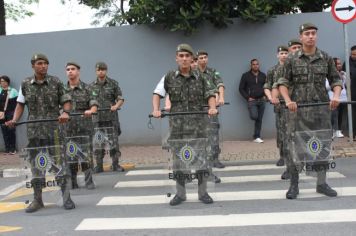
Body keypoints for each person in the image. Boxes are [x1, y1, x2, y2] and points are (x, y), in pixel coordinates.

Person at [278, 23, 342, 199]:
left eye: (314, 33)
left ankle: (321, 183)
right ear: (301, 37)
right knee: (295, 148)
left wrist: (336, 96)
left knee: (322, 146)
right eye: (307, 33)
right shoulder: (292, 59)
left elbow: (336, 80)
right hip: (297, 111)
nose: (311, 36)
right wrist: (288, 100)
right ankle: (294, 185)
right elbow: (282, 83)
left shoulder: (325, 57)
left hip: (321, 110)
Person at [6, 53, 75, 212]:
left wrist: (65, 113)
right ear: (33, 66)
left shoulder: (55, 81)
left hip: (54, 129)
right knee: (37, 166)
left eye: (45, 63)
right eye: (39, 63)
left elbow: (66, 101)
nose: (43, 66)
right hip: (34, 131)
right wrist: (15, 120)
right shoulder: (25, 83)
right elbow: (20, 105)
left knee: (59, 164)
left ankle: (66, 198)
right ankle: (38, 200)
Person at [152, 43, 218, 206]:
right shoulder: (168, 76)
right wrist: (156, 110)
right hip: (177, 128)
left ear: (191, 59)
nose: (184, 59)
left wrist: (212, 107)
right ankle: (180, 194)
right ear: (176, 58)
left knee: (201, 159)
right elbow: (157, 93)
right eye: (181, 56)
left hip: (198, 126)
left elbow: (210, 94)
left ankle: (203, 193)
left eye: (187, 56)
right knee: (178, 161)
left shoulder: (201, 77)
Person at [64, 62, 98, 189]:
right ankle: (72, 182)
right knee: (70, 155)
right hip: (68, 129)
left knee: (85, 155)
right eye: (68, 69)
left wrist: (92, 110)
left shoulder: (87, 88)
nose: (70, 71)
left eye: (73, 69)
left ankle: (89, 181)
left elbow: (94, 103)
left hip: (84, 128)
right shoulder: (61, 89)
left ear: (78, 71)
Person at [89, 62, 124, 173]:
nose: (101, 71)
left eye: (103, 69)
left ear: (106, 70)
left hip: (111, 118)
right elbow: (88, 102)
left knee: (113, 142)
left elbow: (120, 99)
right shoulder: (91, 86)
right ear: (96, 71)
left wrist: (116, 106)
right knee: (98, 143)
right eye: (99, 69)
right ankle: (99, 166)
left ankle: (115, 164)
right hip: (97, 120)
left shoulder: (113, 84)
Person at [264, 46, 290, 179]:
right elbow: (267, 86)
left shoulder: (292, 68)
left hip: (293, 104)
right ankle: (282, 155)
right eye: (282, 53)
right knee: (281, 131)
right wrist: (271, 98)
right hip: (280, 106)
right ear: (277, 55)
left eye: (286, 53)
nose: (284, 55)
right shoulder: (272, 70)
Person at [197, 50, 225, 169]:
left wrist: (221, 97)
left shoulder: (212, 72)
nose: (203, 60)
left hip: (211, 107)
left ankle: (215, 159)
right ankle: (200, 159)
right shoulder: (193, 73)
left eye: (205, 57)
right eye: (201, 58)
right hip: (197, 109)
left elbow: (220, 85)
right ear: (197, 59)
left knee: (213, 133)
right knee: (198, 134)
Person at [239, 59, 266, 143]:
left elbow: (267, 86)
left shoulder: (263, 75)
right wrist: (247, 97)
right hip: (252, 100)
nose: (255, 66)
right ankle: (256, 135)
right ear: (251, 65)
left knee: (259, 119)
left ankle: (257, 136)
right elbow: (241, 88)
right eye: (253, 64)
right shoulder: (245, 75)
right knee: (254, 116)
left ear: (259, 65)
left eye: (257, 64)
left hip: (262, 100)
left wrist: (266, 96)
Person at [326, 58, 347, 138]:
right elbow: (327, 86)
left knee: (341, 115)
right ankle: (333, 131)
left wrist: (343, 77)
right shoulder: (329, 74)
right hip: (333, 97)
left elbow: (346, 85)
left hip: (343, 98)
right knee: (334, 115)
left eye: (340, 64)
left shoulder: (343, 73)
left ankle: (339, 131)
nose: (340, 65)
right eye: (338, 64)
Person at [0, 76, 18, 154]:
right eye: (1, 81)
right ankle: (7, 149)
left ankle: (13, 149)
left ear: (7, 82)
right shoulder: (0, 90)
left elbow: (17, 104)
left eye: (3, 81)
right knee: (4, 131)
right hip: (1, 114)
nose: (2, 83)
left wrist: (14, 114)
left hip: (11, 114)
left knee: (11, 131)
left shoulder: (13, 91)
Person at [343, 45, 356, 139]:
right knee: (353, 114)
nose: (354, 56)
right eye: (353, 54)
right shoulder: (347, 63)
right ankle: (353, 134)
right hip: (352, 92)